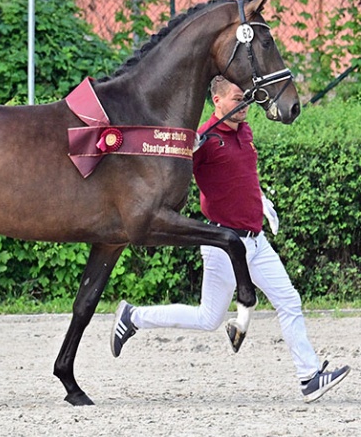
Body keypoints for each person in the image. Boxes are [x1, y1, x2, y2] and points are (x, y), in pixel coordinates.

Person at [111, 75, 350, 403]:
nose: (244, 106)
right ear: (218, 101)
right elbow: (166, 172)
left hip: (256, 240)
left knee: (289, 301)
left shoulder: (245, 132)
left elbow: (244, 177)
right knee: (208, 319)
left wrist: (262, 202)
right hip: (224, 244)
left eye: (246, 99)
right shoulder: (205, 140)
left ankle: (309, 378)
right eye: (237, 100)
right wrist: (185, 149)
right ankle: (134, 316)